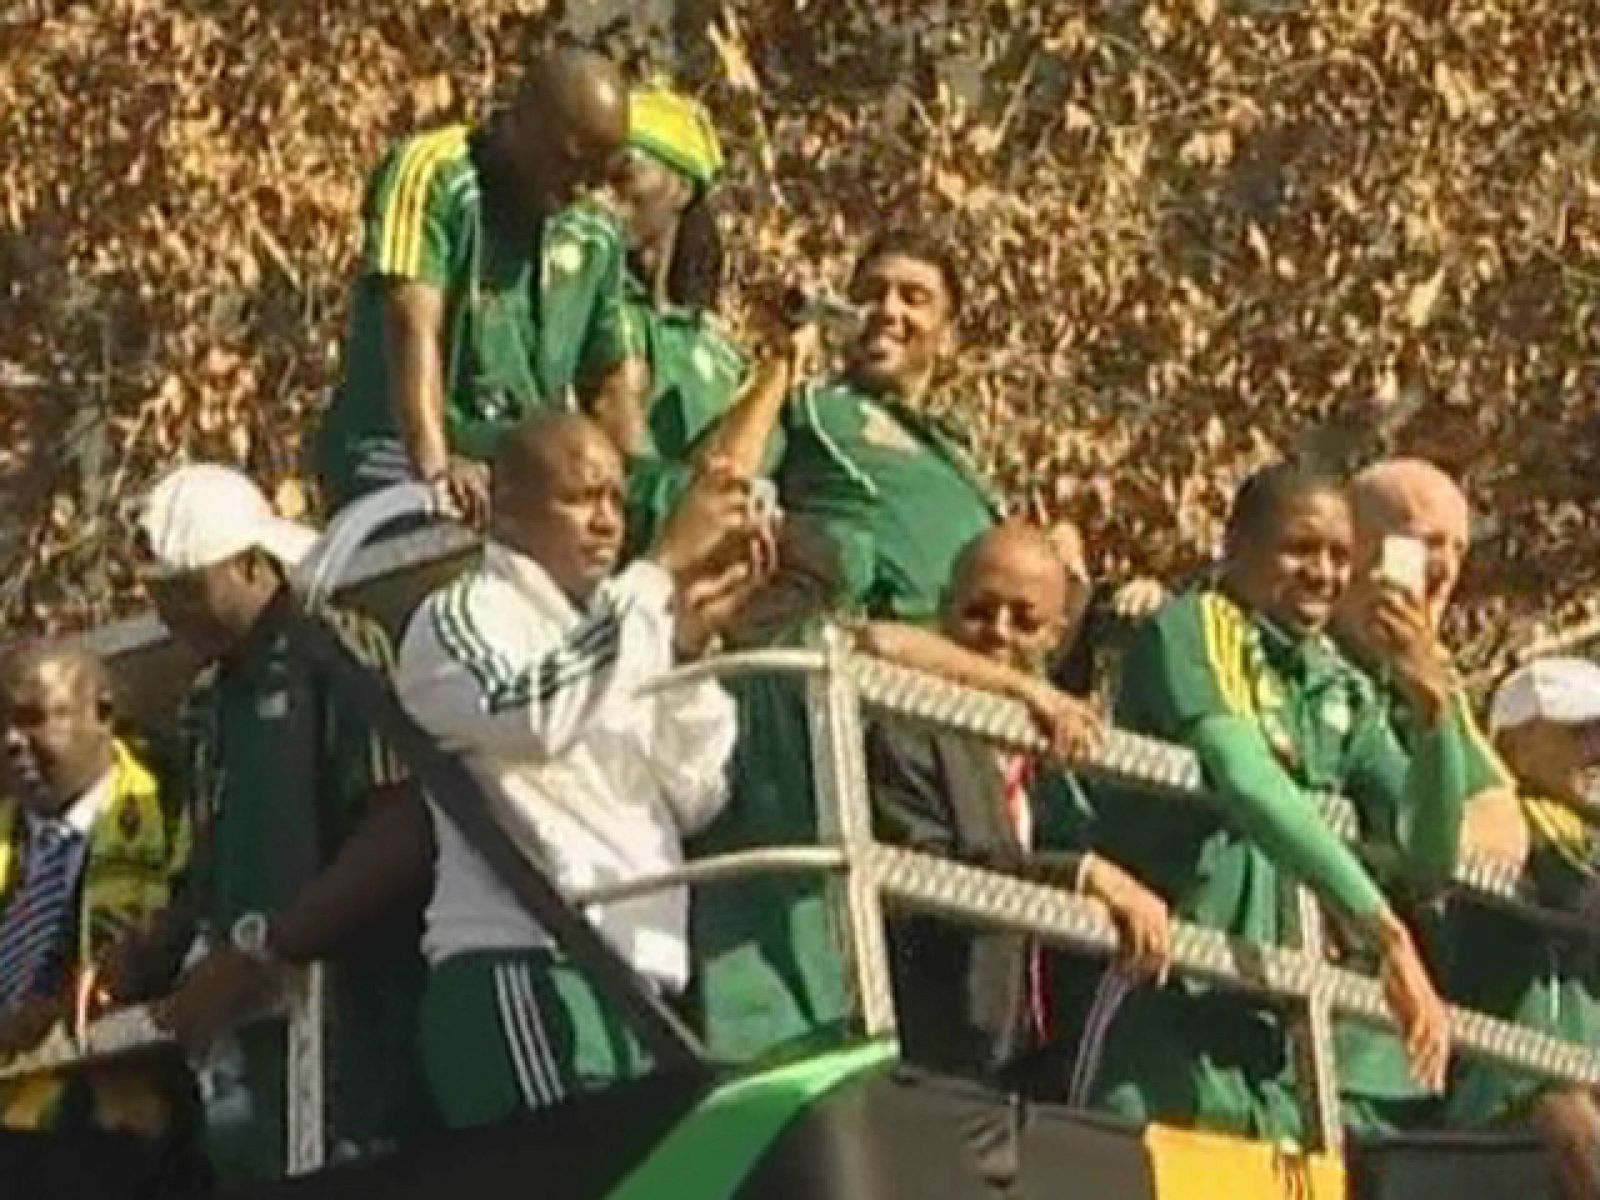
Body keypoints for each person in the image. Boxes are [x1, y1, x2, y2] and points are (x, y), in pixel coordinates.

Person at [1078, 462, 1472, 1144]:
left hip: (1271, 1027)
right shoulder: (1197, 624)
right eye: (1300, 549)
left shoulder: (1339, 685)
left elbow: (1428, 861)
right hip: (1163, 1000)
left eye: (1340, 556)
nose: (1323, 573)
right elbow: (1244, 776)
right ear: (1234, 546)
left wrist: (1435, 713)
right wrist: (1386, 935)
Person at [394, 412, 767, 1127]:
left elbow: (695, 794)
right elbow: (533, 715)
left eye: (617, 502)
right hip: (525, 964)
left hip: (638, 988)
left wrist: (687, 649)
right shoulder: (462, 613)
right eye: (580, 498)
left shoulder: (618, 629)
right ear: (506, 506)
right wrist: (657, 569)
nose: (606, 523)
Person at [136, 465, 434, 1185]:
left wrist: (263, 952)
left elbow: (399, 831)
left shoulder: (335, 646)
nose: (170, 614)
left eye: (186, 590)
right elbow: (212, 868)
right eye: (157, 596)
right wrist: (140, 960)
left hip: (358, 1035)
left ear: (250, 564)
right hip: (258, 1056)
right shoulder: (204, 703)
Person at [866, 523, 1171, 1085]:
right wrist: (1080, 876)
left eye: (1025, 621)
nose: (999, 633)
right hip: (929, 1058)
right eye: (978, 612)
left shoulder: (1059, 751)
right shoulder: (905, 725)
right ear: (943, 607)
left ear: (1057, 633)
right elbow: (928, 879)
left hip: (1041, 1071)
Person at [315, 46, 644, 518]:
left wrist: (636, 497)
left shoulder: (593, 228)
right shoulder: (437, 175)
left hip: (522, 473)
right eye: (569, 162)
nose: (580, 187)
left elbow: (614, 382)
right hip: (398, 455)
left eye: (597, 174)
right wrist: (436, 470)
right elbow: (412, 324)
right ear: (523, 121)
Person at [700, 226, 1002, 621]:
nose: (888, 311)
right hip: (864, 641)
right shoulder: (810, 406)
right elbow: (717, 485)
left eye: (913, 298)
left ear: (947, 336)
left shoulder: (961, 459)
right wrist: (783, 363)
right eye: (871, 294)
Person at [0, 640, 197, 1194]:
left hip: (120, 1123)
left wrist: (82, 995)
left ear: (102, 714)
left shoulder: (171, 803)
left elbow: (203, 924)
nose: (11, 741)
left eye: (33, 718)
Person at [1448, 658, 1600, 1200]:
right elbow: (1580, 881)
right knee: (1570, 1113)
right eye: (1578, 732)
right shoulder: (1525, 817)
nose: (1597, 749)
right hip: (1509, 1099)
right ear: (1513, 746)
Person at [609, 84, 748, 554]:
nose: (604, 197)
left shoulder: (721, 353)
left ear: (682, 190)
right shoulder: (590, 310)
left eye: (624, 175)